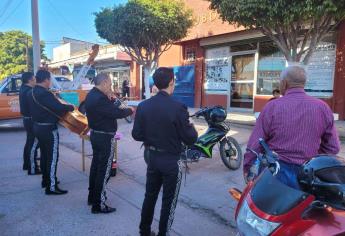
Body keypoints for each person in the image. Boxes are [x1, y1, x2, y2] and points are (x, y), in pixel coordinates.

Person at [244, 65, 340, 189]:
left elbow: (254, 144)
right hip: (309, 175)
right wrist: (313, 159)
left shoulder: (272, 106)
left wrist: (247, 167)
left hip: (276, 174)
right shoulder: (322, 107)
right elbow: (333, 147)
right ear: (303, 83)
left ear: (284, 83)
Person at [132, 67, 198, 236]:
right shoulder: (178, 107)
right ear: (171, 83)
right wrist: (192, 128)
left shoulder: (144, 106)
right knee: (168, 201)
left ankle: (144, 231)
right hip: (170, 160)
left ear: (155, 83)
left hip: (152, 157)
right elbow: (190, 138)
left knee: (150, 195)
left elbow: (136, 135)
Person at [85, 73, 133, 214]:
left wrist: (112, 99)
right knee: (104, 171)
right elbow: (115, 113)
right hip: (104, 138)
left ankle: (92, 197)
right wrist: (130, 110)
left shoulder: (92, 95)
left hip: (97, 135)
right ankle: (98, 204)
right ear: (104, 82)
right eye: (110, 84)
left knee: (95, 167)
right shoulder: (99, 98)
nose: (111, 87)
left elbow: (106, 110)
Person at [29, 70, 74, 195]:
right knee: (52, 157)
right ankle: (51, 186)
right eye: (50, 79)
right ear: (46, 80)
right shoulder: (44, 93)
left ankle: (46, 180)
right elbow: (58, 107)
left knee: (44, 155)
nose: (50, 82)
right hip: (48, 129)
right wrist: (70, 107)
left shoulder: (31, 91)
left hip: (37, 127)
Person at [19, 72, 41, 175]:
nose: (36, 81)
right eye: (34, 79)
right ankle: (33, 168)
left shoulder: (23, 88)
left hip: (27, 119)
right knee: (33, 144)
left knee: (29, 142)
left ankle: (26, 164)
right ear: (30, 80)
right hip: (31, 120)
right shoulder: (29, 91)